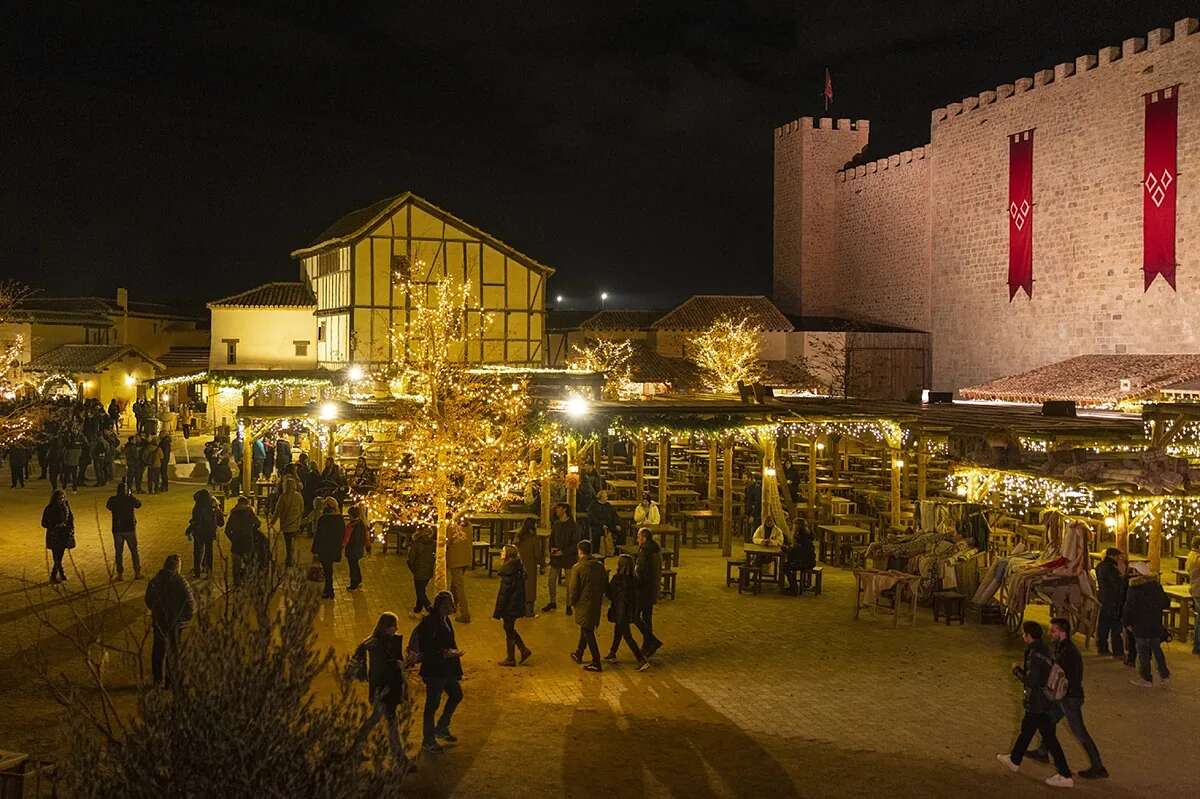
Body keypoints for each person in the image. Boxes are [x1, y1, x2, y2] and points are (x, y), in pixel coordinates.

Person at [1027, 618, 1107, 779]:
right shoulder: (1064, 648)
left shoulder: (1067, 652)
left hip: (1069, 698)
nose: (1050, 634)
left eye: (1053, 631)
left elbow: (1058, 672)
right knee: (1048, 721)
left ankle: (1098, 766)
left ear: (1062, 633)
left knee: (1079, 732)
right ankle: (1043, 751)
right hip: (1066, 696)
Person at [996, 620, 1073, 788]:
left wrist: (1017, 670)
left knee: (1044, 736)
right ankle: (1014, 760)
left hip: (1038, 701)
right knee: (1032, 731)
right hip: (1046, 701)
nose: (1023, 636)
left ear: (1029, 636)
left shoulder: (1034, 653)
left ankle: (1065, 774)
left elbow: (1031, 681)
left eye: (1024, 634)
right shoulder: (1044, 649)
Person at [353, 612, 412, 771]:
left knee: (376, 720)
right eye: (394, 626)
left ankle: (355, 749)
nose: (396, 629)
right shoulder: (378, 645)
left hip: (383, 691)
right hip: (385, 691)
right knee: (391, 724)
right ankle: (400, 759)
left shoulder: (378, 643)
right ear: (386, 627)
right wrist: (398, 665)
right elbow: (383, 669)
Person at [410, 591, 464, 754]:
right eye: (449, 605)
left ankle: (441, 727)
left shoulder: (444, 619)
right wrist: (444, 653)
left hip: (445, 669)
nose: (452, 607)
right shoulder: (431, 623)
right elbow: (428, 648)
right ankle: (428, 740)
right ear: (441, 605)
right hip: (434, 671)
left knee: (456, 695)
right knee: (432, 705)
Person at [144, 554, 195, 688]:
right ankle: (170, 681)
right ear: (177, 567)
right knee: (173, 651)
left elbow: (148, 600)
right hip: (174, 623)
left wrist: (156, 611)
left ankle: (157, 680)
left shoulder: (155, 580)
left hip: (159, 621)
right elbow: (191, 604)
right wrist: (184, 618)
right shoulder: (180, 581)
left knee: (158, 651)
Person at [1123, 561, 1170, 687]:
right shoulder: (1156, 586)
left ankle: (1146, 678)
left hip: (1140, 625)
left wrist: (1126, 622)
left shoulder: (1134, 588)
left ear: (1138, 573)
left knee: (1143, 652)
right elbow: (1166, 603)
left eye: (1133, 571)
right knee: (1157, 650)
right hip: (1155, 624)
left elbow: (1129, 607)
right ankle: (1164, 675)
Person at [568, 539, 608, 672]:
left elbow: (574, 589)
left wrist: (571, 603)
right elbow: (604, 583)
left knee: (587, 631)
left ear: (580, 551)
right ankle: (579, 653)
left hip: (583, 603)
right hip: (595, 602)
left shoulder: (578, 568)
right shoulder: (599, 566)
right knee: (586, 626)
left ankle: (596, 661)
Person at [605, 554, 650, 670]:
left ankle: (641, 659)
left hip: (620, 612)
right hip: (628, 611)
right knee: (618, 632)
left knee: (627, 636)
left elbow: (610, 594)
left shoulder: (617, 579)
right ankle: (612, 653)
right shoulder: (634, 580)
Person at [493, 545, 532, 666]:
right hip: (515, 604)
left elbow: (504, 594)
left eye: (503, 551)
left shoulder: (508, 570)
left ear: (508, 554)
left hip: (510, 606)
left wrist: (498, 611)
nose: (501, 553)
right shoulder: (516, 568)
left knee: (509, 630)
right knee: (509, 628)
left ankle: (511, 658)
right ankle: (523, 650)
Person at [543, 502, 580, 613]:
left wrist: (563, 552)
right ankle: (552, 601)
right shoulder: (557, 524)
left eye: (558, 509)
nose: (556, 511)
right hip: (556, 556)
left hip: (569, 557)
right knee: (551, 580)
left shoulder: (574, 526)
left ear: (564, 510)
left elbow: (575, 543)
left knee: (569, 583)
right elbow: (552, 539)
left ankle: (569, 604)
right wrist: (552, 549)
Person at [633, 527, 663, 656]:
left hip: (644, 590)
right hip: (652, 588)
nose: (637, 540)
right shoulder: (655, 549)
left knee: (634, 616)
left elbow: (640, 572)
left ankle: (651, 641)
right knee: (647, 617)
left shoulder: (645, 552)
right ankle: (647, 644)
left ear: (644, 538)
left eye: (639, 537)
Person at [105, 480, 143, 580]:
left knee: (118, 552)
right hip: (129, 528)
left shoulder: (113, 500)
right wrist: (130, 495)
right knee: (134, 551)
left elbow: (108, 506)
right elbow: (139, 504)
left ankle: (120, 574)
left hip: (117, 529)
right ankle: (137, 572)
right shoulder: (130, 499)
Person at [225, 496, 266, 587]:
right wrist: (251, 530)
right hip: (248, 541)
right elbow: (258, 523)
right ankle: (248, 582)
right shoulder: (250, 512)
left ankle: (237, 584)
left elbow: (227, 530)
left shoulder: (233, 513)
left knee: (236, 565)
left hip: (236, 543)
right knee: (248, 563)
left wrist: (233, 538)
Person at [1094, 547, 1126, 658]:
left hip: (1103, 598)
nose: (1119, 558)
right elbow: (1116, 584)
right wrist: (1122, 576)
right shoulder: (1112, 568)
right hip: (1113, 600)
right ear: (1113, 556)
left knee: (1103, 625)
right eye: (1118, 556)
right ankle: (1118, 651)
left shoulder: (1100, 566)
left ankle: (1102, 647)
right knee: (1116, 627)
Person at [312, 497, 344, 599]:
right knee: (328, 570)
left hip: (324, 548)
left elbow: (319, 536)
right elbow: (342, 534)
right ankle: (328, 590)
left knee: (327, 570)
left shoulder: (323, 519)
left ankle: (329, 590)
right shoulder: (339, 519)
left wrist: (315, 550)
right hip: (334, 547)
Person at [41, 489, 75, 583]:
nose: (62, 500)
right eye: (60, 498)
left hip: (64, 534)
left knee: (59, 555)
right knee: (57, 556)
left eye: (63, 497)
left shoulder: (66, 507)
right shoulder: (50, 508)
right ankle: (55, 574)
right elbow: (44, 523)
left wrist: (71, 529)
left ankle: (59, 573)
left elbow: (71, 519)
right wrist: (54, 525)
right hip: (54, 535)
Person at [188, 488, 223, 577]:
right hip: (210, 532)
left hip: (199, 532)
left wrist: (189, 529)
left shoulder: (197, 507)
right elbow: (221, 523)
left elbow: (196, 520)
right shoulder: (214, 506)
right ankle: (209, 572)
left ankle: (197, 572)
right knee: (209, 551)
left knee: (197, 552)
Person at [270, 475, 304, 567]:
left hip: (286, 524)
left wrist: (272, 522)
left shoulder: (283, 497)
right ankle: (292, 558)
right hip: (295, 523)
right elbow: (302, 509)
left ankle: (289, 560)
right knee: (293, 542)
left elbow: (277, 510)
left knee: (288, 543)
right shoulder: (298, 496)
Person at [445, 520, 472, 623]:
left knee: (459, 587)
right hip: (466, 558)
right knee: (455, 584)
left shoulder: (451, 526)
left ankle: (465, 613)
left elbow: (447, 542)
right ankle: (452, 605)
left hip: (456, 559)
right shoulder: (468, 525)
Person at [781, 519, 817, 594]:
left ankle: (793, 588)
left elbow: (797, 552)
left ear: (797, 526)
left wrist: (787, 549)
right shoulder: (807, 534)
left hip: (805, 562)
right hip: (810, 560)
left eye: (794, 525)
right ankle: (794, 586)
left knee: (785, 567)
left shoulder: (800, 536)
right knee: (788, 564)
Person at [513, 517, 540, 617]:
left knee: (520, 587)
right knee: (529, 589)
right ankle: (529, 611)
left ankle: (519, 610)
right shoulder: (533, 538)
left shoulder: (518, 536)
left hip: (519, 566)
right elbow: (537, 553)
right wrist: (542, 564)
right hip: (530, 566)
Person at [406, 527, 436, 617]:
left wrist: (412, 568)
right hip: (428, 571)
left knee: (420, 592)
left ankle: (430, 609)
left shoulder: (416, 544)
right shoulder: (433, 544)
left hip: (418, 570)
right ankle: (418, 609)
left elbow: (411, 559)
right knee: (421, 589)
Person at [344, 503, 369, 591]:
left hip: (352, 549)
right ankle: (358, 580)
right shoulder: (361, 523)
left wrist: (343, 545)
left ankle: (353, 584)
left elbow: (347, 538)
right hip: (358, 549)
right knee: (355, 565)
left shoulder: (352, 526)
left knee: (353, 567)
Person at [1187, 537, 1200, 656]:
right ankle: (1197, 645)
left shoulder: (1191, 555)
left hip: (1195, 589)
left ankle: (1197, 645)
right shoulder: (1197, 558)